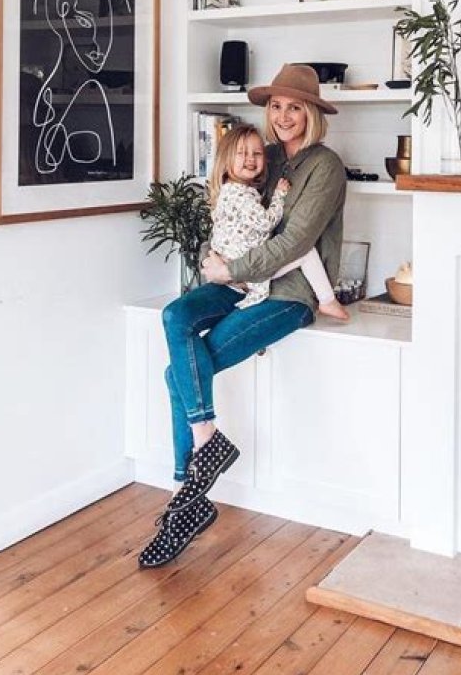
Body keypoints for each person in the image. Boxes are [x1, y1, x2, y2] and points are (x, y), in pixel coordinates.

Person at [138, 64, 347, 568]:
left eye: (294, 107)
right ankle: (206, 444)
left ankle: (184, 495)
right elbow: (227, 211)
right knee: (175, 316)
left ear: (312, 113)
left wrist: (230, 268)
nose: (283, 116)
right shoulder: (262, 156)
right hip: (236, 285)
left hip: (287, 294)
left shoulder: (325, 167)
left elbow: (293, 242)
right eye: (276, 106)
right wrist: (212, 260)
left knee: (176, 373)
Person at [209, 123, 349, 319]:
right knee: (307, 252)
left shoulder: (231, 190)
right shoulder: (240, 195)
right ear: (226, 160)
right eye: (242, 153)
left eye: (257, 153)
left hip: (236, 263)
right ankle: (327, 300)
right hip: (246, 264)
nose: (251, 158)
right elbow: (267, 222)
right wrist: (279, 195)